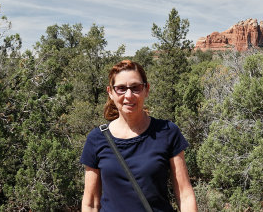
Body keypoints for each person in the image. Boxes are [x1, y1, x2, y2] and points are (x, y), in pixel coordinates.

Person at [81, 60, 197, 212]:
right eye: (121, 89)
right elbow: (91, 203)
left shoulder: (167, 132)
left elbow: (184, 194)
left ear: (146, 89)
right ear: (110, 92)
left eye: (135, 88)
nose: (129, 95)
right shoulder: (97, 139)